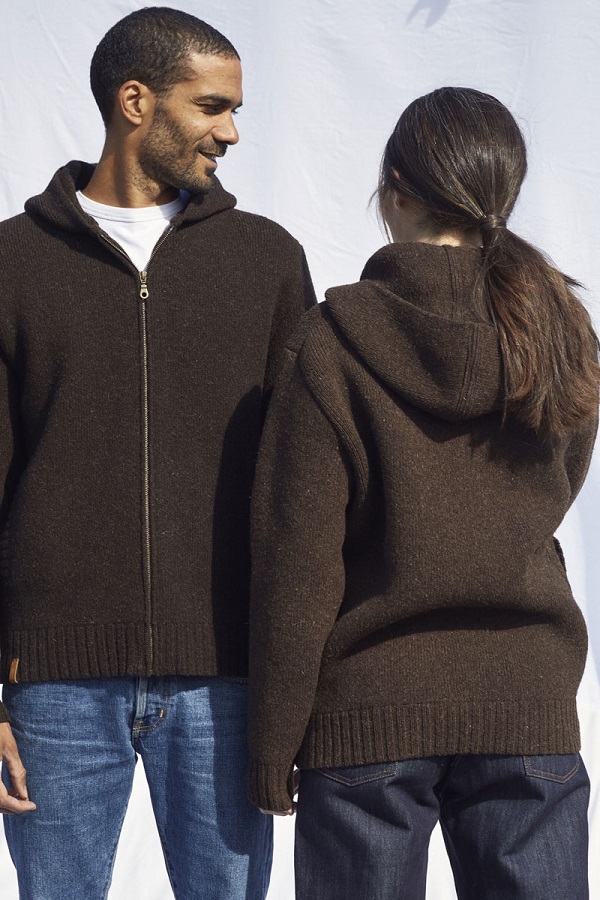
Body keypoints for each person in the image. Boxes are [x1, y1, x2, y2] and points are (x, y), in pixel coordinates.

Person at [247, 87, 599, 899]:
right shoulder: (563, 331)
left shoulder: (331, 341)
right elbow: (559, 488)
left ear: (396, 190)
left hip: (368, 711)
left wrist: (271, 740)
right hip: (526, 698)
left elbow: (298, 563)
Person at [0, 7, 314, 899]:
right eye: (211, 106)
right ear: (135, 102)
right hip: (52, 684)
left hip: (227, 678)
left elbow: (303, 488)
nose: (231, 132)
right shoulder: (12, 263)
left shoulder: (266, 260)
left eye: (235, 109)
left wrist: (295, 682)